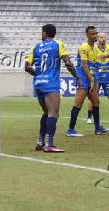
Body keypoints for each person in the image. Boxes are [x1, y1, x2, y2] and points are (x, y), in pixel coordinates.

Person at [25, 24, 81, 153]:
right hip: (50, 83)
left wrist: (38, 74)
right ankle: (49, 144)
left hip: (38, 83)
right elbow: (67, 62)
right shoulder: (58, 44)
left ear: (45, 33)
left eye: (42, 32)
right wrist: (76, 77)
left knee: (47, 112)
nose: (41, 34)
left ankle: (40, 141)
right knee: (53, 113)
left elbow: (27, 67)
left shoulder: (36, 47)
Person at [66, 26, 109, 137]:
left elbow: (94, 66)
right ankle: (70, 130)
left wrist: (95, 81)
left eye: (96, 33)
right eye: (92, 34)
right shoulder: (84, 47)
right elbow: (84, 65)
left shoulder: (95, 48)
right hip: (82, 79)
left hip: (91, 80)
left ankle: (97, 128)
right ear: (87, 35)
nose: (95, 36)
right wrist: (91, 79)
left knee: (96, 103)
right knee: (78, 104)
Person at [86, 33, 109, 124]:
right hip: (96, 77)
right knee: (93, 98)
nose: (103, 39)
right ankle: (89, 117)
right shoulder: (94, 49)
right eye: (101, 37)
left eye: (105, 37)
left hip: (107, 77)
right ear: (97, 38)